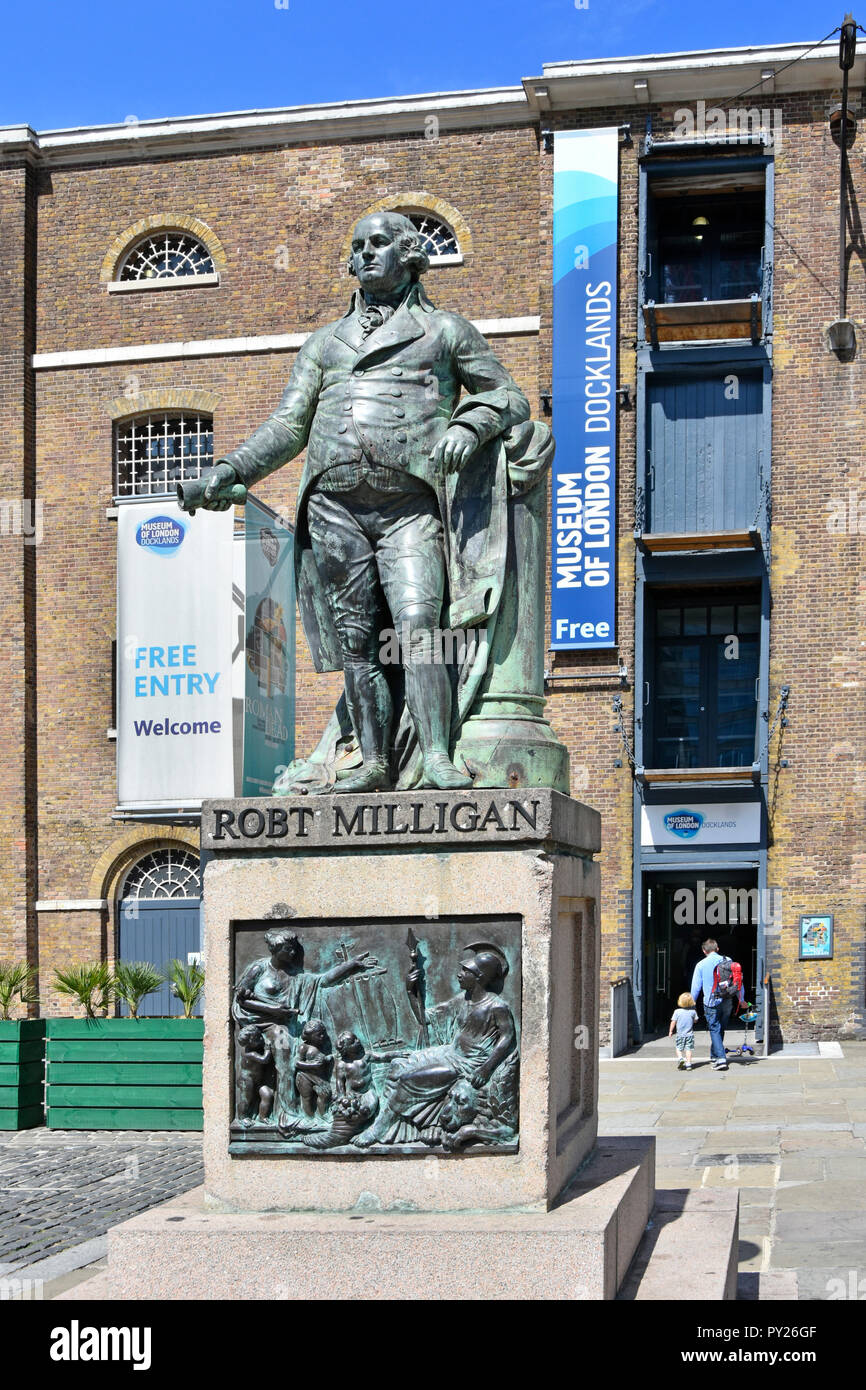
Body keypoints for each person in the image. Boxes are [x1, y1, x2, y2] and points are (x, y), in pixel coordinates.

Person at [193, 211, 531, 794]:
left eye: (379, 243)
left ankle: (436, 757)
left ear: (409, 255)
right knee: (356, 640)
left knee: (420, 627)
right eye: (358, 246)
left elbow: (509, 396)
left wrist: (471, 425)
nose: (366, 254)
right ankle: (374, 761)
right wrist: (228, 469)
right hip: (334, 507)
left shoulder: (446, 331)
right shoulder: (324, 343)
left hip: (409, 504)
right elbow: (288, 423)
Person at [690, 937, 744, 1071]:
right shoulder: (728, 961)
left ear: (704, 951)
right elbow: (737, 981)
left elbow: (696, 987)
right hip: (727, 1000)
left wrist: (692, 1004)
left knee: (714, 1029)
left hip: (711, 1002)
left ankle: (721, 1059)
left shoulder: (700, 965)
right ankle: (714, 1055)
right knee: (720, 1029)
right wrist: (741, 999)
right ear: (717, 949)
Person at [669, 993, 698, 1071]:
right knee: (688, 1049)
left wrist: (670, 1031)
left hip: (680, 1035)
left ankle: (680, 1058)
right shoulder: (693, 1012)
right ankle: (688, 1064)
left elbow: (673, 1022)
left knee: (678, 1048)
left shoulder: (677, 1011)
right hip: (689, 1035)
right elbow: (695, 1021)